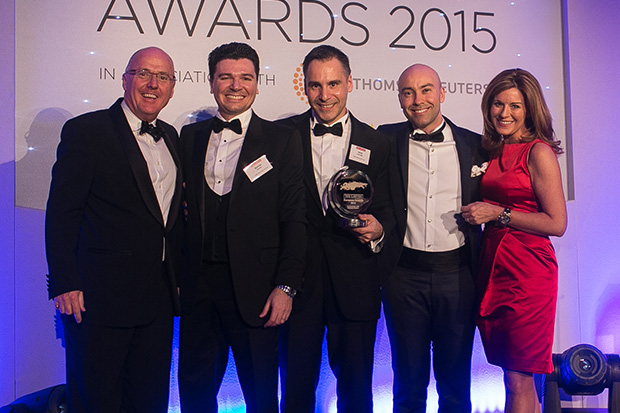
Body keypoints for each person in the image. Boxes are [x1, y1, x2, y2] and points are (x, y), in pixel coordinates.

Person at [45, 46, 182, 412]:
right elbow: (62, 213)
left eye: (163, 77)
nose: (152, 84)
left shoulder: (171, 136)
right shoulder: (87, 131)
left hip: (157, 302)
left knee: (149, 400)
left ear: (172, 88)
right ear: (124, 79)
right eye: (143, 73)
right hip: (99, 299)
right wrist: (64, 282)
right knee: (97, 401)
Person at [177, 42, 306, 413]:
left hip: (258, 290)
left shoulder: (282, 140)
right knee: (194, 393)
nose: (236, 85)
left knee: (261, 396)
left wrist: (286, 286)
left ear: (257, 83)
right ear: (211, 82)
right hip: (198, 290)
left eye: (245, 77)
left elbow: (294, 218)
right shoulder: (189, 137)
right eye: (226, 77)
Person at [277, 44, 396, 413]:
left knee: (357, 389)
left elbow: (391, 209)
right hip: (297, 282)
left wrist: (379, 230)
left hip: (355, 280)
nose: (324, 95)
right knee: (295, 386)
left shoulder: (378, 143)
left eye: (333, 84)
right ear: (304, 86)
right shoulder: (282, 135)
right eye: (315, 85)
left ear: (349, 83)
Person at [378, 64, 488, 412]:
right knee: (407, 383)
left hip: (458, 276)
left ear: (442, 93)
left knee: (455, 384)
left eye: (426, 90)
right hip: (403, 276)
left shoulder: (475, 145)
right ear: (399, 98)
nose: (418, 100)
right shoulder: (385, 139)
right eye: (408, 92)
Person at [461, 68, 567, 413]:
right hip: (494, 269)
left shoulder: (538, 152)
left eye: (515, 106)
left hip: (528, 273)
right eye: (498, 104)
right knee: (517, 376)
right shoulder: (492, 149)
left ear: (530, 110)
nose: (504, 113)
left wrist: (498, 213)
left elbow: (557, 223)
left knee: (517, 379)